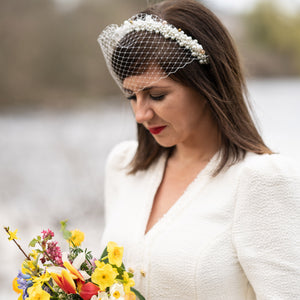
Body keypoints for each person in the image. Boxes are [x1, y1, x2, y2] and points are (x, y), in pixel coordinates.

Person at [97, 0, 300, 299]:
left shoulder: (260, 180)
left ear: (207, 85)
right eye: (132, 96)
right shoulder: (124, 166)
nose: (141, 115)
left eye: (156, 95)